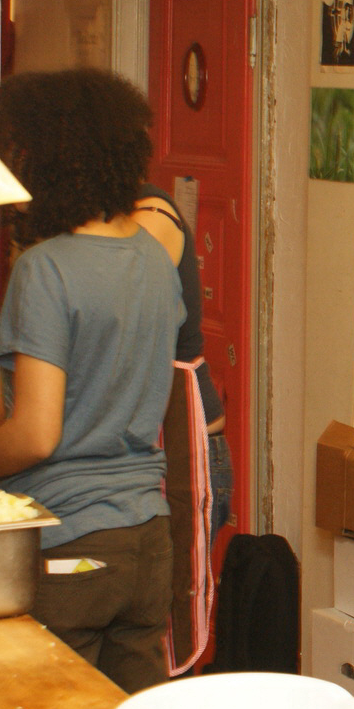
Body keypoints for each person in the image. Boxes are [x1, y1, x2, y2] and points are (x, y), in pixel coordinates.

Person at [0, 69, 185, 693]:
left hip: (70, 544)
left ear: (53, 161)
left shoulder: (45, 269)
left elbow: (37, 434)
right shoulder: (156, 258)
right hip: (147, 541)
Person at [132, 182, 234, 674]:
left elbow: (116, 339)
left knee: (163, 643)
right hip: (152, 448)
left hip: (182, 450)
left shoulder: (149, 222)